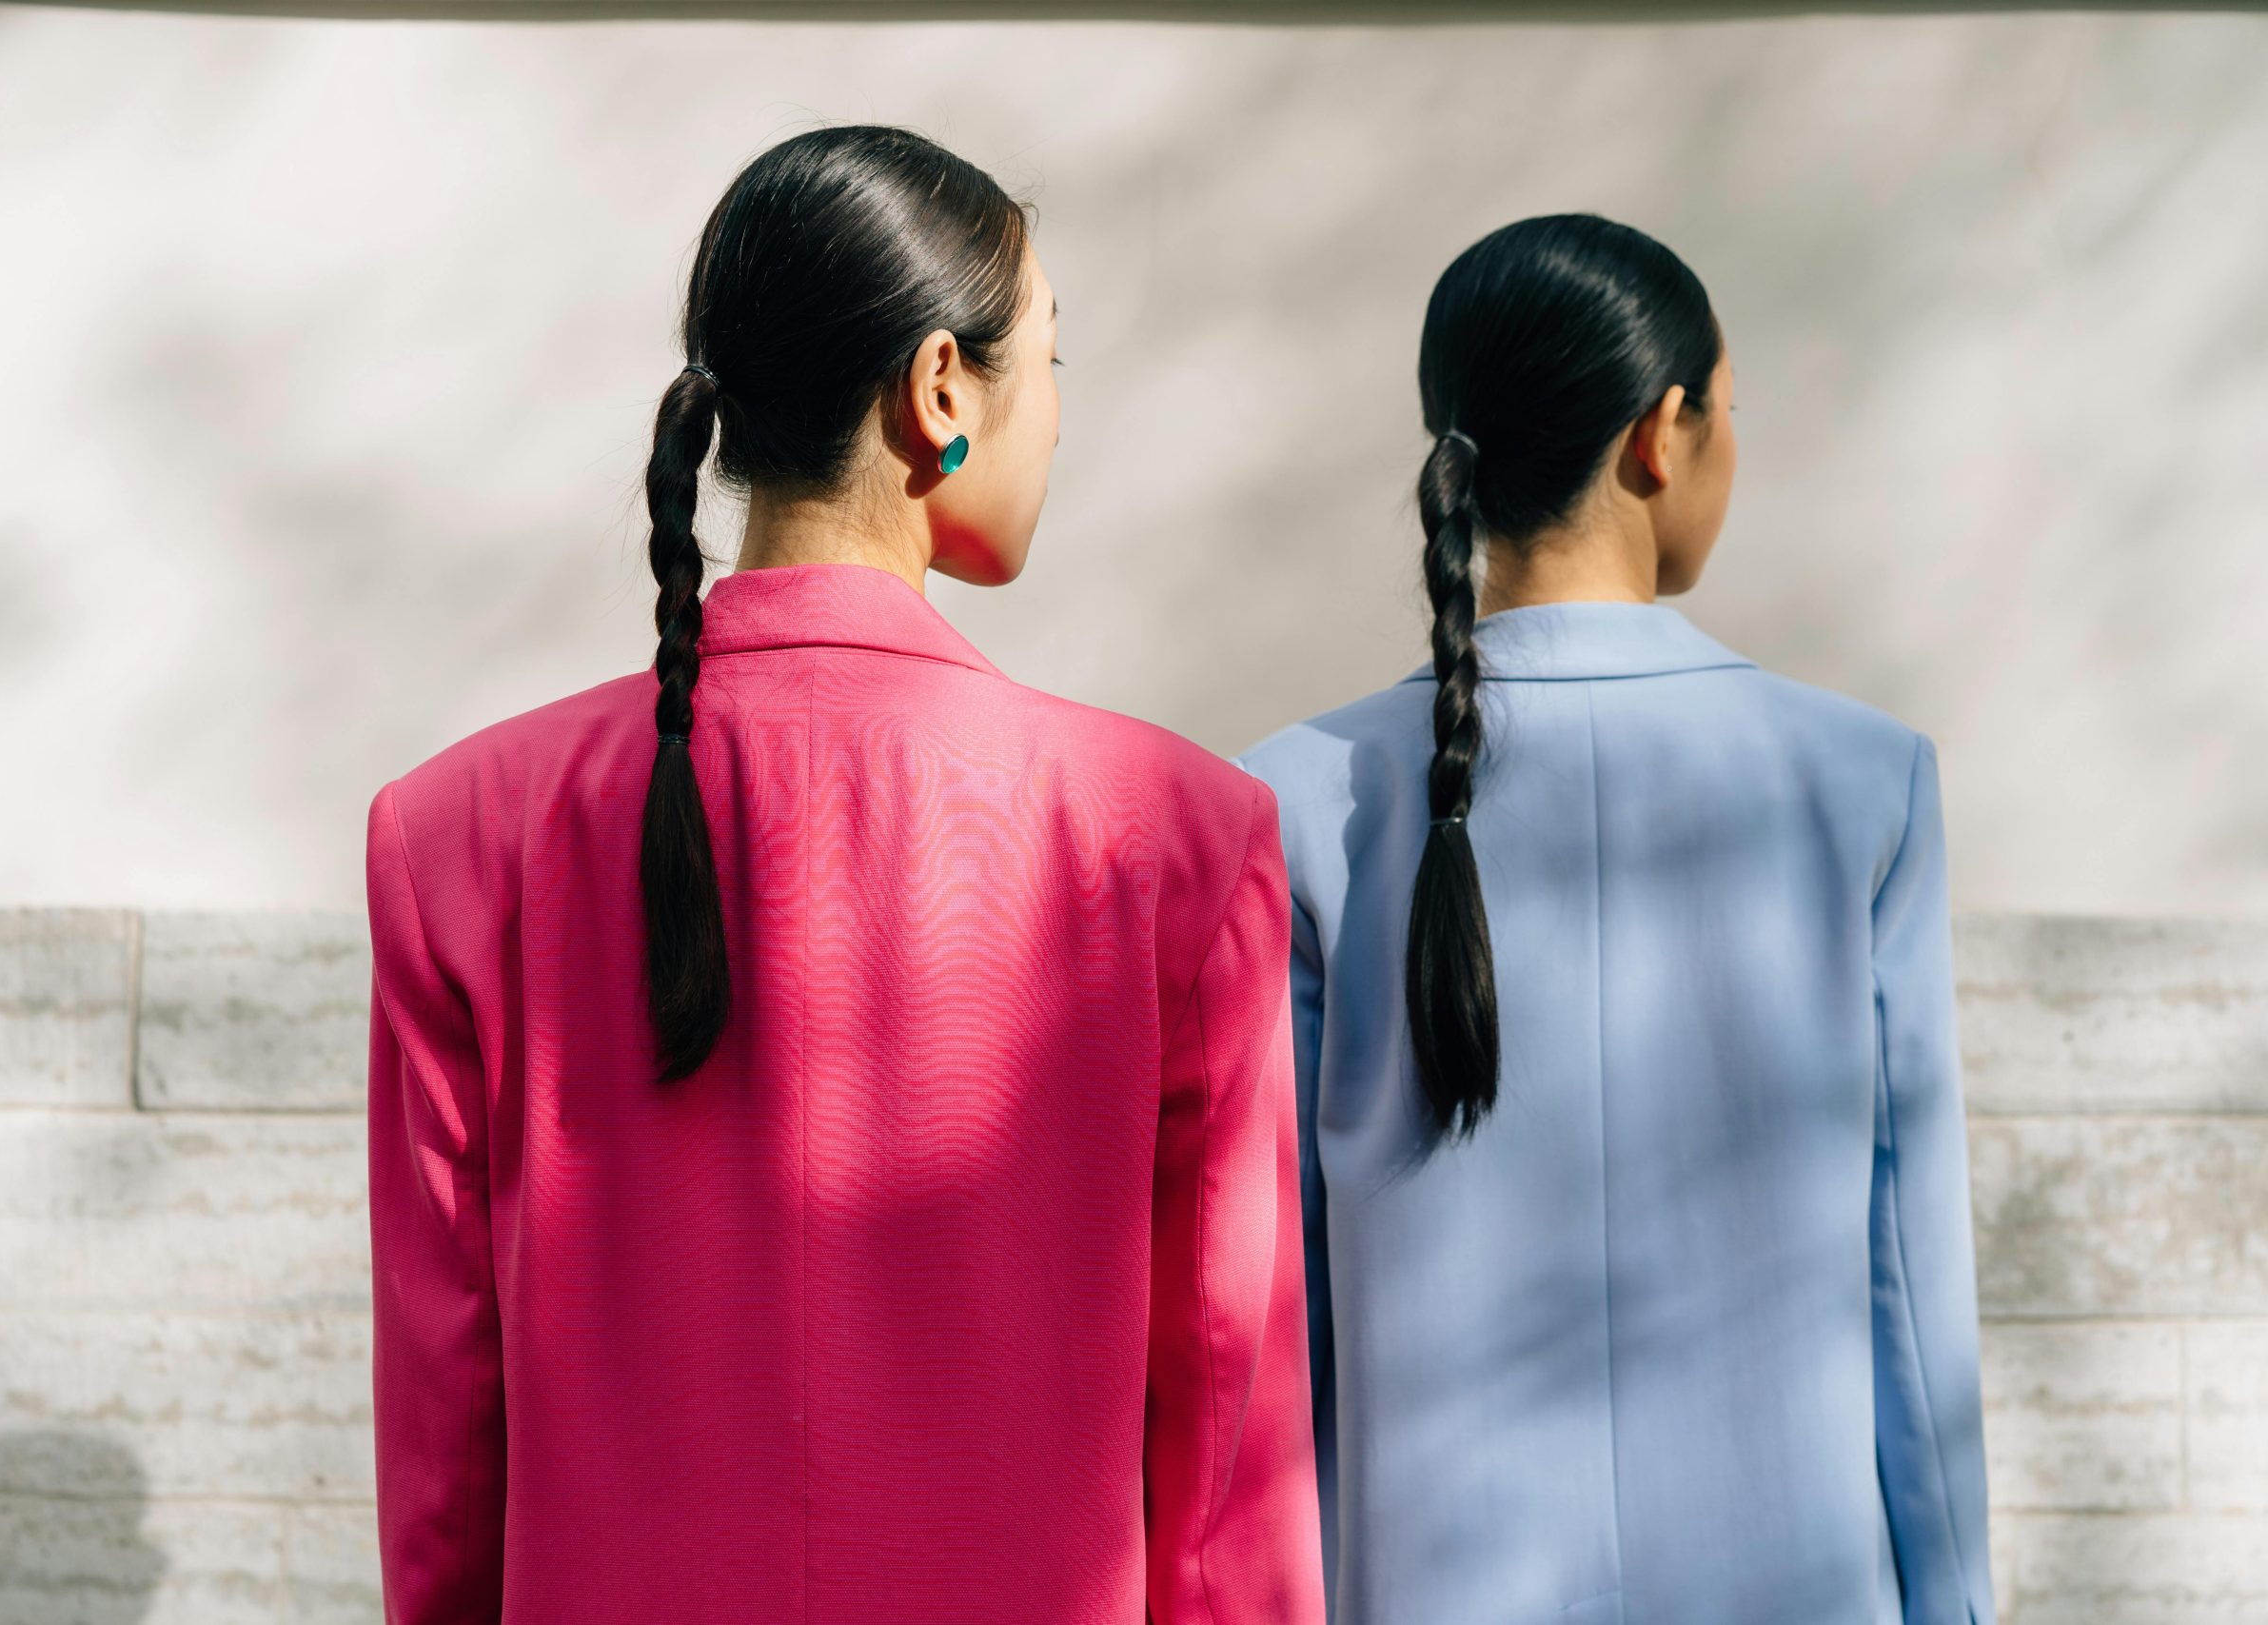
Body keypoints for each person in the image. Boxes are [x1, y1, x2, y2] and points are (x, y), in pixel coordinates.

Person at [362, 125, 1324, 1624]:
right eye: (1051, 362)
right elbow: (1224, 1445)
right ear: (941, 389)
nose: (1059, 416)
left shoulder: (460, 835)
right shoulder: (1176, 840)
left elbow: (448, 1439)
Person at [1236, 214, 1995, 1625]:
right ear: (1663, 432)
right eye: (1727, 413)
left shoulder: (1288, 800)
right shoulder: (1861, 782)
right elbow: (1909, 1284)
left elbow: (1279, 1317)